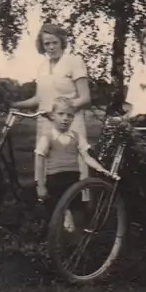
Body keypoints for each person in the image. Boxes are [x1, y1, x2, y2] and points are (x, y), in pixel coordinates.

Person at [11, 23, 92, 186]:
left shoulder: (74, 61)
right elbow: (38, 99)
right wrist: (13, 104)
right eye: (47, 43)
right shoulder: (42, 67)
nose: (51, 47)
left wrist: (62, 112)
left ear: (62, 41)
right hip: (45, 124)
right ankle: (50, 205)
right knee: (46, 166)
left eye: (54, 42)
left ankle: (75, 207)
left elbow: (85, 98)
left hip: (69, 124)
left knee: (71, 168)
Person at [34, 97, 114, 228]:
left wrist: (100, 169)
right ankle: (59, 230)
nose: (65, 118)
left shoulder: (76, 137)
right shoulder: (47, 137)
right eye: (61, 114)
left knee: (77, 209)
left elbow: (86, 157)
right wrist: (40, 185)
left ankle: (73, 235)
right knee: (56, 209)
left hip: (73, 179)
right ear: (52, 116)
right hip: (55, 179)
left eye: (70, 115)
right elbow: (39, 159)